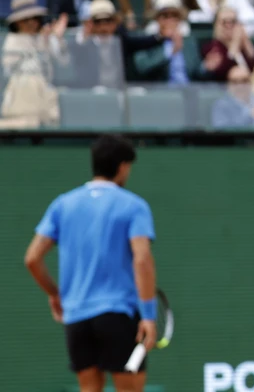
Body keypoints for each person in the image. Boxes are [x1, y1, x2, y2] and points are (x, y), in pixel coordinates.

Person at [25, 136, 157, 392]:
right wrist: (149, 316)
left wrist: (55, 294)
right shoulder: (134, 206)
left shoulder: (62, 204)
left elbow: (32, 258)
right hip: (118, 316)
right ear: (122, 166)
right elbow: (142, 259)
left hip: (77, 319)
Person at [194, 5, 254, 81]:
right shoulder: (212, 47)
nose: (229, 25)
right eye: (224, 22)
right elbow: (223, 72)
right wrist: (235, 44)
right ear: (216, 25)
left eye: (233, 21)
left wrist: (247, 43)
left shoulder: (243, 45)